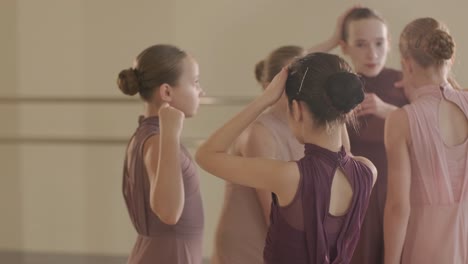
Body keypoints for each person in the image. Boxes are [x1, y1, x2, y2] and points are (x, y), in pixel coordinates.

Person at [196, 52, 377, 264]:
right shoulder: (367, 171)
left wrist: (264, 100)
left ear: (297, 109)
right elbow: (343, 152)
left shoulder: (289, 176)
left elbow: (206, 155)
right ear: (345, 110)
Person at [311, 7, 409, 263]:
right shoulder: (338, 85)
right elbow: (295, 69)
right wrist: (333, 39)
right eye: (361, 44)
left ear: (389, 43)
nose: (372, 53)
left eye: (379, 43)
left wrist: (389, 111)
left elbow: (432, 128)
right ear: (345, 47)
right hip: (354, 198)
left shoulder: (404, 82)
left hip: (401, 197)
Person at [384, 18, 468, 264]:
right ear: (450, 58)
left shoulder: (401, 120)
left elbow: (398, 207)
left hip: (428, 242)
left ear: (407, 65)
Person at [211, 45, 305, 264]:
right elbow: (273, 212)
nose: (299, 88)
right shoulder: (260, 133)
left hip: (278, 241)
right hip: (247, 246)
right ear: (268, 87)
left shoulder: (304, 129)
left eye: (304, 80)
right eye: (290, 82)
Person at [118, 44, 205, 264]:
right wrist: (172, 133)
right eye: (195, 82)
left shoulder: (149, 134)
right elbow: (168, 212)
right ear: (166, 92)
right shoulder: (157, 141)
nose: (201, 91)